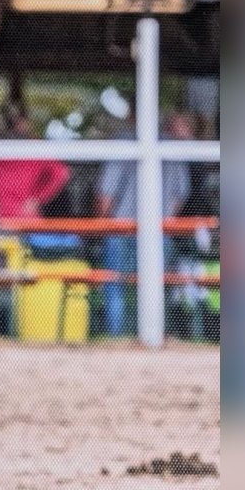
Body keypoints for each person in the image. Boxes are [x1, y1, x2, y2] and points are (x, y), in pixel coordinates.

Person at [95, 109, 191, 337]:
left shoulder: (124, 144)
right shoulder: (172, 147)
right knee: (155, 287)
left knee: (116, 286)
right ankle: (155, 333)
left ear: (131, 115)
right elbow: (180, 195)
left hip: (121, 228)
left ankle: (116, 337)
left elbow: (106, 194)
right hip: (160, 230)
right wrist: (166, 218)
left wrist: (100, 224)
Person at [0, 104, 71, 268]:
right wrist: (37, 199)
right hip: (10, 220)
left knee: (13, 277)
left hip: (14, 222)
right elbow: (62, 173)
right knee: (21, 277)